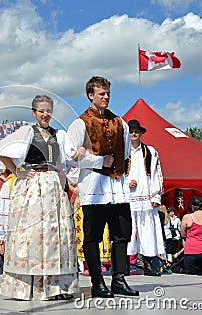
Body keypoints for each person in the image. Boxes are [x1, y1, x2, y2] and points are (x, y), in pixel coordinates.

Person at [0, 95, 79, 301]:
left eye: (48, 110)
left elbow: (70, 157)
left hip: (52, 184)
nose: (45, 114)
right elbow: (1, 151)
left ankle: (55, 287)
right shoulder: (26, 132)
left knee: (55, 235)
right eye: (41, 111)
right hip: (32, 184)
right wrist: (17, 171)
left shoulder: (59, 134)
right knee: (32, 234)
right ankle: (28, 287)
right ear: (34, 112)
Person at [67, 76, 139, 298]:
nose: (106, 97)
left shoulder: (121, 123)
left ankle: (119, 279)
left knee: (121, 234)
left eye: (108, 93)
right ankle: (98, 282)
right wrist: (99, 161)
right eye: (101, 94)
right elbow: (70, 157)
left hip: (117, 186)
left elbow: (125, 152)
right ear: (91, 95)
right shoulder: (80, 123)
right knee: (93, 236)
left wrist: (109, 164)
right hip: (93, 188)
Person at [125, 119, 165, 277]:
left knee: (148, 231)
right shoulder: (122, 152)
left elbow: (157, 175)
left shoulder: (150, 152)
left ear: (141, 133)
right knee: (127, 232)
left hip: (146, 198)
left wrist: (156, 195)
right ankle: (124, 265)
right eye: (131, 131)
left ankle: (148, 265)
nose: (134, 133)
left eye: (136, 131)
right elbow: (116, 174)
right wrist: (126, 183)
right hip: (128, 198)